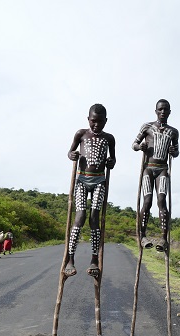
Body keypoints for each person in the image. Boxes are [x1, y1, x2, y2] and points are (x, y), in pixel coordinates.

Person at [64, 104, 116, 279]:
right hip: (82, 180)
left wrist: (111, 162)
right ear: (88, 119)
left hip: (100, 180)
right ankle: (70, 259)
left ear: (106, 121)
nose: (96, 125)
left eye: (100, 122)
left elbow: (113, 159)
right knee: (80, 216)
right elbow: (70, 151)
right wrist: (72, 155)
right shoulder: (81, 134)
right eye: (93, 121)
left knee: (95, 218)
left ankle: (94, 259)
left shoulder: (109, 138)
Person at [132, 99, 179, 252]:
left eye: (165, 110)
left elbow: (177, 151)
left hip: (162, 169)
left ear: (170, 112)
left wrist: (174, 152)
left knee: (161, 200)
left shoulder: (173, 132)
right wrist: (141, 146)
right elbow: (134, 144)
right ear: (156, 111)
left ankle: (163, 238)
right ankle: (143, 235)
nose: (163, 112)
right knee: (147, 201)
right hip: (148, 168)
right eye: (160, 109)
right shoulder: (147, 127)